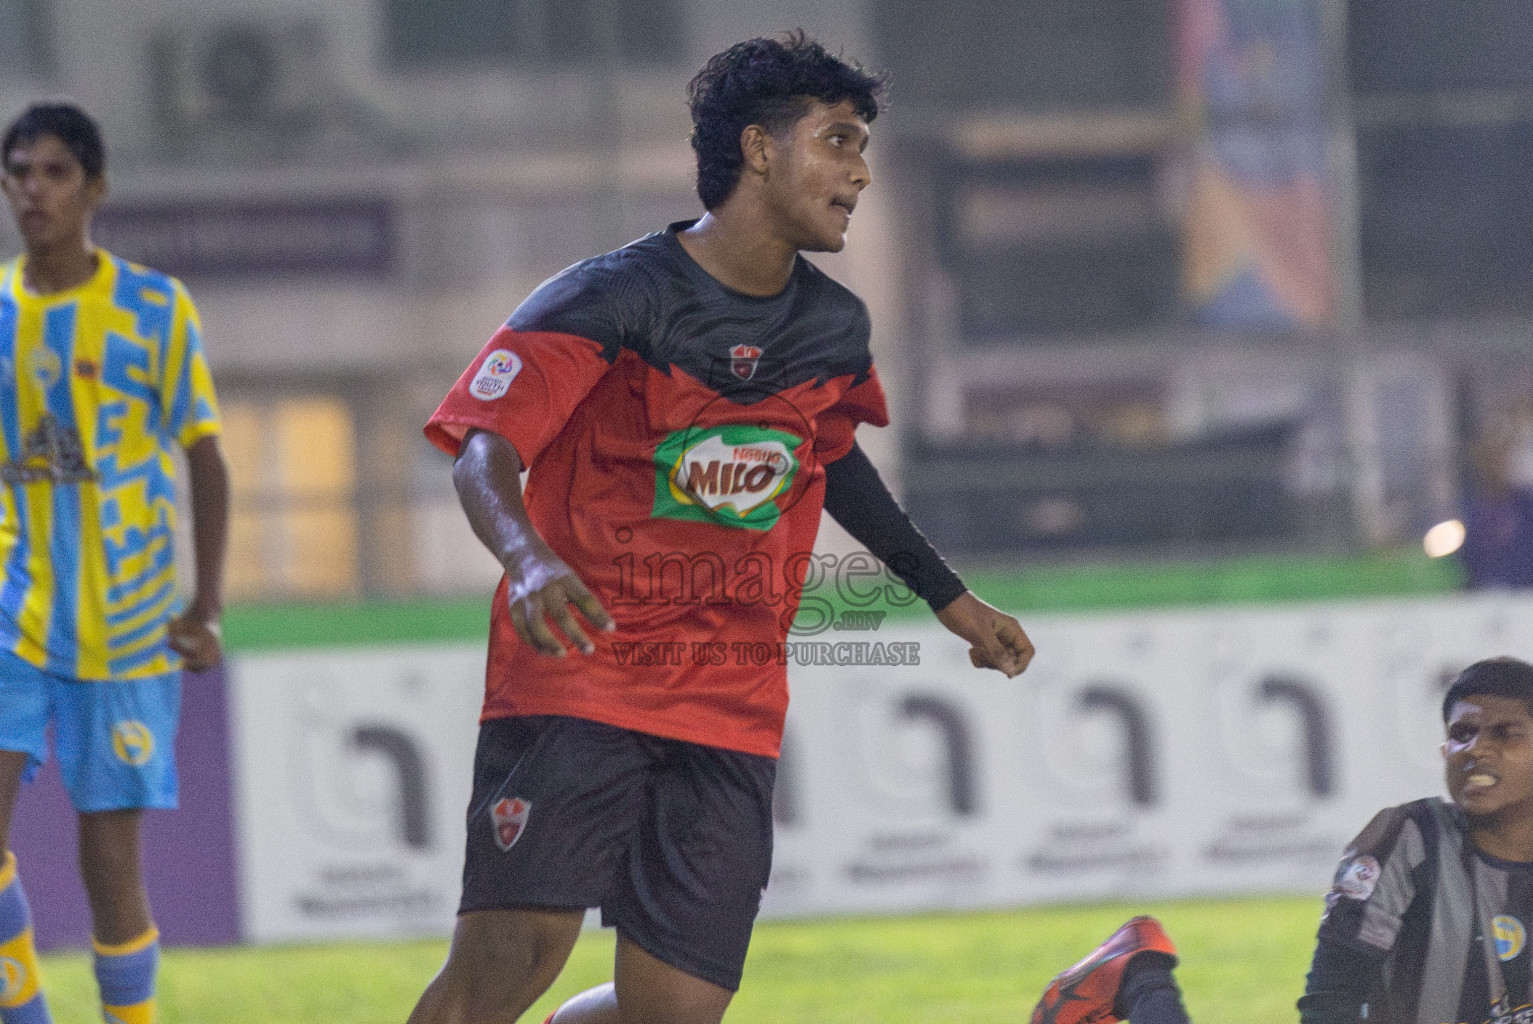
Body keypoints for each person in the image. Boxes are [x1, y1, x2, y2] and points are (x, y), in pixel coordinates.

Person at [410, 31, 1035, 1024]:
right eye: (837, 140)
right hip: (581, 678)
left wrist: (950, 599)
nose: (860, 171)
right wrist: (527, 562)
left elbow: (831, 461)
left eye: (862, 146)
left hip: (729, 702)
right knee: (504, 969)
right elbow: (485, 445)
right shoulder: (612, 295)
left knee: (674, 1012)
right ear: (757, 149)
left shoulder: (831, 329)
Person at [0, 102, 228, 1024]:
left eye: (53, 172)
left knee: (111, 873)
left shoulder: (153, 308)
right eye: (18, 172)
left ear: (94, 187)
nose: (32, 190)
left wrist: (205, 604)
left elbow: (203, 454)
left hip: (128, 622)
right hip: (13, 607)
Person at [1029, 656, 1533, 1024]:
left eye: (1506, 733)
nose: (1477, 749)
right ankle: (1140, 973)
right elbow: (1330, 998)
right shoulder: (1410, 839)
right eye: (1462, 734)